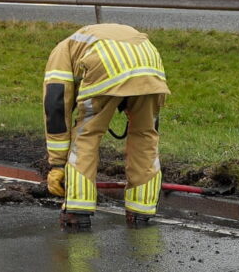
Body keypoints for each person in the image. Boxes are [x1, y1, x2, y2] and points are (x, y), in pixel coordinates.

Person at [42, 21, 170, 228]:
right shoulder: (82, 42)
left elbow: (56, 106)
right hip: (149, 59)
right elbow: (153, 123)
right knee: (145, 134)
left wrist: (57, 165)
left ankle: (77, 211)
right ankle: (140, 211)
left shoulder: (61, 53)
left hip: (106, 63)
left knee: (87, 133)